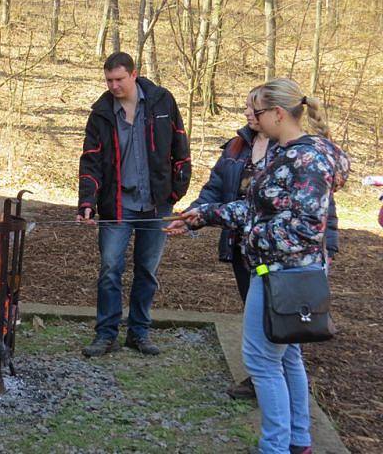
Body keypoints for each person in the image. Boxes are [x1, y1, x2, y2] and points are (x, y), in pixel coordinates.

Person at [170, 79, 350, 454]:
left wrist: (251, 239)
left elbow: (305, 228)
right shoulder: (285, 153)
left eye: (259, 111)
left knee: (262, 362)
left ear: (278, 113)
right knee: (287, 358)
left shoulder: (308, 159)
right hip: (276, 272)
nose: (253, 117)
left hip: (286, 276)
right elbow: (255, 208)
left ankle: (275, 447)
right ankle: (298, 442)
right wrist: (201, 215)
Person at [76, 52, 191, 357]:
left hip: (156, 205)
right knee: (110, 268)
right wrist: (87, 201)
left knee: (147, 270)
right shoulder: (101, 113)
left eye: (119, 79)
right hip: (117, 204)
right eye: (109, 80)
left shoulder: (162, 102)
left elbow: (181, 145)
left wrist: (176, 190)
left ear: (134, 74)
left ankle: (139, 333)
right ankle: (106, 334)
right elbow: (91, 162)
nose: (114, 85)